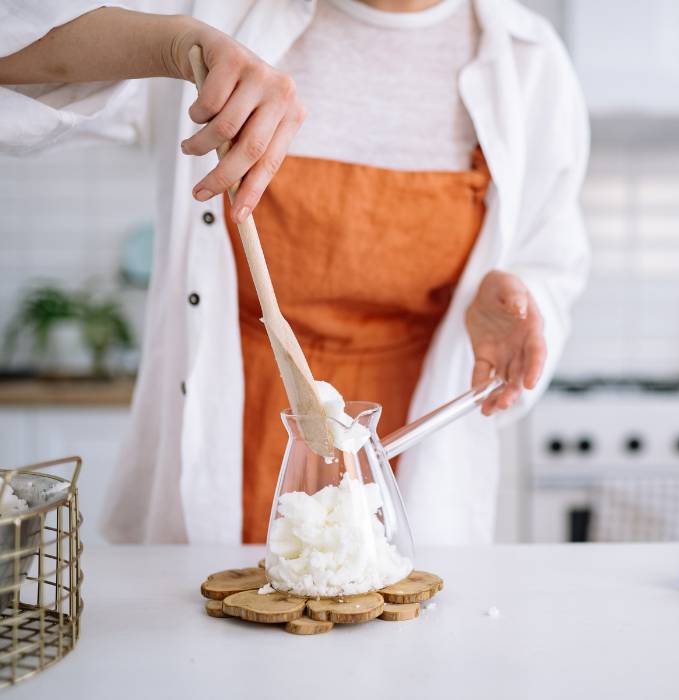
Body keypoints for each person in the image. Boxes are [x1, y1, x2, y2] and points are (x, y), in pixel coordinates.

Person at [0, 0, 589, 545]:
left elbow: (549, 259)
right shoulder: (223, 14)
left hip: (415, 472)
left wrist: (517, 299)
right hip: (224, 449)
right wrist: (176, 45)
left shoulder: (529, 64)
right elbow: (14, 49)